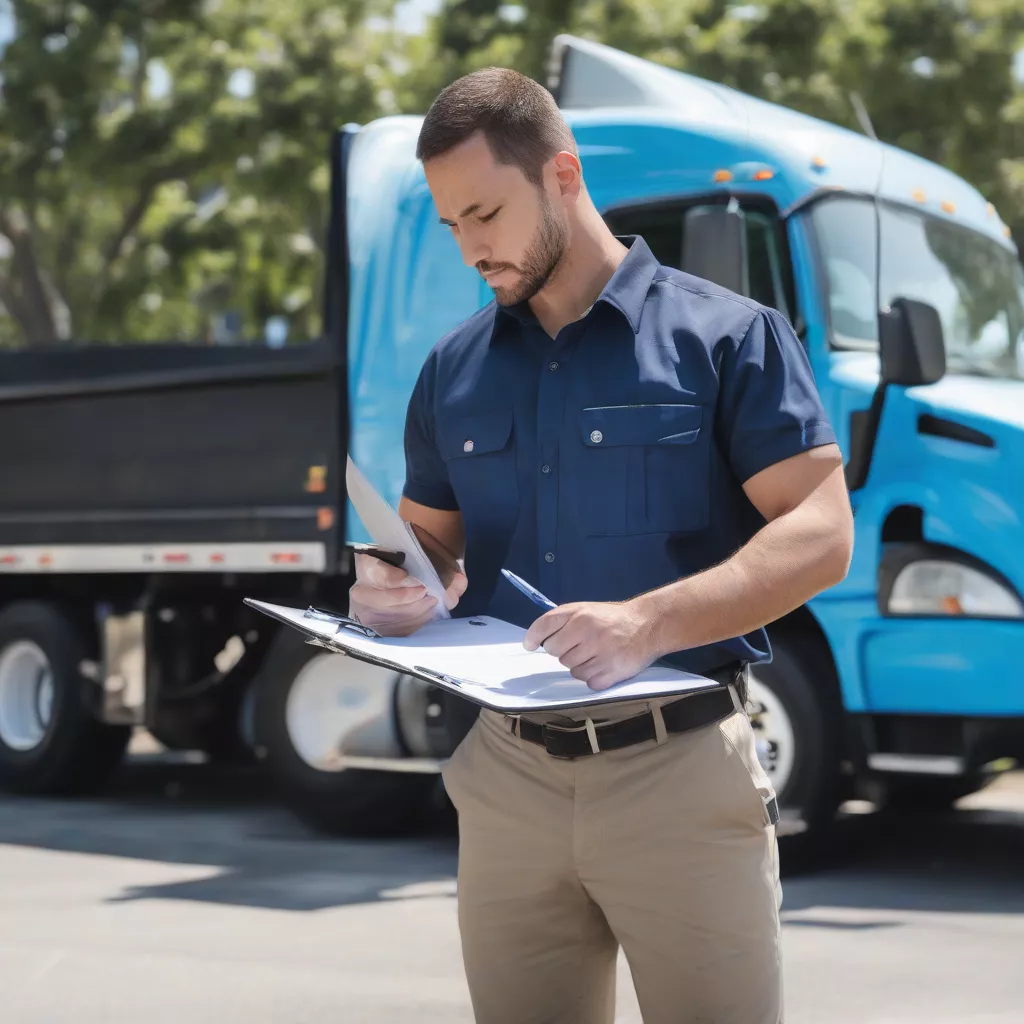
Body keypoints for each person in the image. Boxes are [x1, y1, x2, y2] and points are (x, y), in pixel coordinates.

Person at [349, 66, 854, 1024]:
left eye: (486, 214)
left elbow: (823, 534)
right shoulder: (450, 372)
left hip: (679, 779)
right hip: (506, 782)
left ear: (564, 175)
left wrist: (649, 622)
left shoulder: (728, 338)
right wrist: (397, 592)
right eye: (452, 225)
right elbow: (431, 552)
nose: (471, 248)